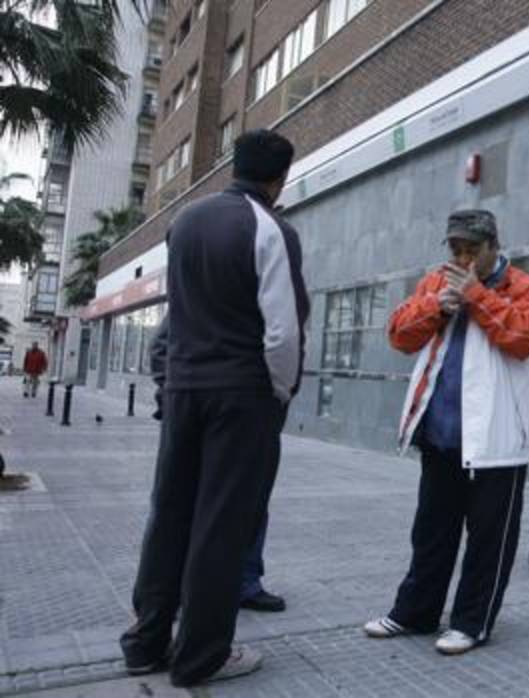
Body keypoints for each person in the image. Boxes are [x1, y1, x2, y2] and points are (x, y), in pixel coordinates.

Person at [120, 130, 310, 686]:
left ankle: (145, 640)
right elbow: (283, 332)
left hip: (183, 390)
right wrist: (280, 392)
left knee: (170, 514)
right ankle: (201, 654)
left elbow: (177, 312)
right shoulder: (272, 228)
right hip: (241, 393)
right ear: (278, 180)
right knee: (222, 524)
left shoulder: (187, 222)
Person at [365, 210, 529, 655]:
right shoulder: (436, 282)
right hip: (441, 433)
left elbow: (524, 337)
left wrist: (478, 298)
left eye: (472, 249)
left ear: (493, 246)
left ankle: (473, 621)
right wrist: (435, 307)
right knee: (431, 530)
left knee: (490, 538)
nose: (463, 257)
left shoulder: (527, 288)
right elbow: (399, 335)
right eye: (456, 249)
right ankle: (415, 612)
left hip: (498, 441)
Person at [149, 316, 287, 613]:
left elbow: (285, 347)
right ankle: (178, 594)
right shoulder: (204, 287)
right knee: (190, 507)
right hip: (201, 419)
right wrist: (173, 397)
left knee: (253, 505)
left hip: (255, 421)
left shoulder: (260, 298)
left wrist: (275, 401)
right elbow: (160, 347)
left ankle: (246, 582)